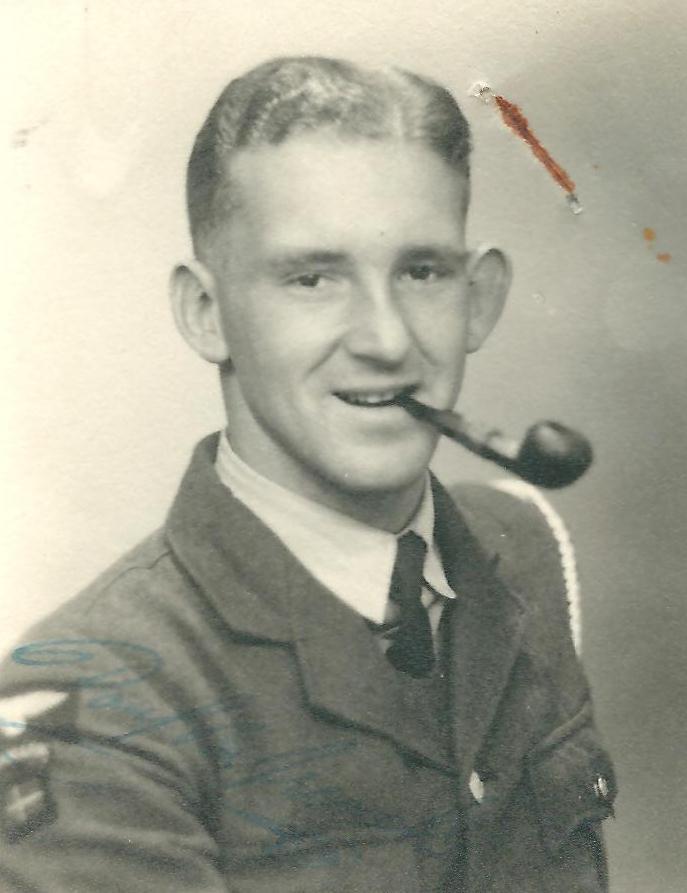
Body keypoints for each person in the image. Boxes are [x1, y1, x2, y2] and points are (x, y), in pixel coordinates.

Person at [0, 56, 616, 892]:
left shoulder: (519, 541)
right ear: (205, 312)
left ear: (479, 299)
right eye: (312, 278)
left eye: (421, 271)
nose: (386, 339)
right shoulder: (91, 702)